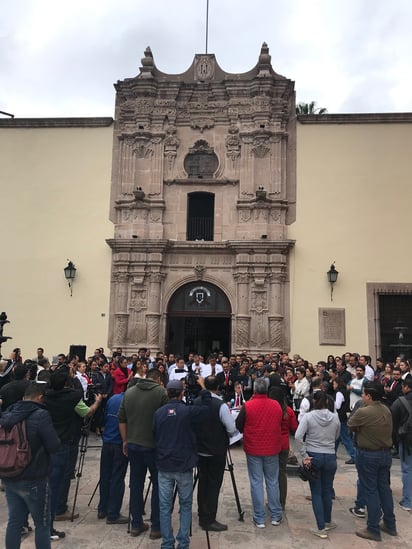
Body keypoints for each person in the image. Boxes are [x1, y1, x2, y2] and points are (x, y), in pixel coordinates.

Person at [153, 378, 212, 549]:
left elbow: (154, 434)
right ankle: (183, 543)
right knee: (185, 505)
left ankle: (167, 543)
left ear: (166, 392)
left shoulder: (159, 413)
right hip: (184, 464)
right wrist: (203, 388)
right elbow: (207, 409)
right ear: (181, 393)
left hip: (164, 464)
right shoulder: (188, 411)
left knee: (165, 506)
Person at [0, 382, 61, 549]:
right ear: (40, 398)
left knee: (14, 522)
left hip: (10, 474)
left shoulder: (8, 413)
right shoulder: (40, 415)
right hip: (34, 477)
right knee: (42, 524)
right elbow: (54, 445)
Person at [44, 370, 102, 537]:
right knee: (64, 476)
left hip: (51, 439)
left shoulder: (46, 396)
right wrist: (97, 402)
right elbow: (86, 412)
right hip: (68, 440)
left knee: (52, 477)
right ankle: (59, 508)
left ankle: (52, 507)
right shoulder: (72, 398)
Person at [118, 368, 168, 539]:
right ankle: (156, 527)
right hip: (154, 446)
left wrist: (125, 440)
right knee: (158, 484)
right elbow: (165, 420)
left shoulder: (129, 392)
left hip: (133, 444)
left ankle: (136, 524)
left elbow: (122, 419)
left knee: (136, 484)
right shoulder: (161, 392)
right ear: (159, 380)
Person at [348, 381, 397, 541]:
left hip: (369, 454)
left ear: (369, 396)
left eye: (363, 394)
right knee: (384, 489)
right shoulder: (386, 409)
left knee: (370, 490)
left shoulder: (364, 411)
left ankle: (373, 528)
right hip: (385, 454)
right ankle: (390, 523)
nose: (362, 396)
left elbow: (351, 425)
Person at [235, 378, 283, 528]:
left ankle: (260, 517)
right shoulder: (276, 405)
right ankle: (275, 515)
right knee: (272, 481)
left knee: (256, 482)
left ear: (254, 390)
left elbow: (238, 424)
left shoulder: (248, 405)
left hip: (254, 447)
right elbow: (279, 422)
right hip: (272, 448)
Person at [295, 391, 340, 539]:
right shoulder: (335, 417)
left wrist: (304, 455)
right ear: (327, 402)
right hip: (330, 455)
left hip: (314, 455)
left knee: (316, 492)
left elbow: (298, 436)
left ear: (314, 401)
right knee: (327, 490)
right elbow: (337, 435)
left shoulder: (308, 417)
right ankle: (327, 521)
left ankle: (321, 527)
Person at [194, 375, 237, 531]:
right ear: (218, 387)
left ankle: (201, 514)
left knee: (202, 482)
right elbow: (231, 429)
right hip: (216, 450)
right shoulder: (221, 405)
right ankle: (209, 518)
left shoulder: (196, 402)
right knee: (213, 484)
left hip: (200, 450)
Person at [97, 393, 129, 523]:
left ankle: (102, 508)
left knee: (105, 476)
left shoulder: (113, 398)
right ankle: (113, 513)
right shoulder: (129, 401)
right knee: (117, 477)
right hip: (119, 442)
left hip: (107, 440)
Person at [268, 385, 298, 509]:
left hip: (271, 444)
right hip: (284, 444)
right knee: (282, 473)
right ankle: (281, 502)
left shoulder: (270, 410)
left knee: (271, 475)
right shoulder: (289, 411)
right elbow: (295, 427)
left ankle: (272, 501)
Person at [391, 376, 412, 512]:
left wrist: (394, 440)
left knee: (407, 469)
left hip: (407, 440)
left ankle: (408, 501)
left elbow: (392, 422)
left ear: (405, 387)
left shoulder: (400, 402)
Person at [333, 378, 356, 464]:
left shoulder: (339, 393)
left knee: (345, 437)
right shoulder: (346, 391)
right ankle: (333, 452)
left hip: (340, 416)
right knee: (337, 437)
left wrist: (331, 403)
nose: (333, 385)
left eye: (334, 384)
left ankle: (354, 455)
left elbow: (338, 406)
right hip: (344, 416)